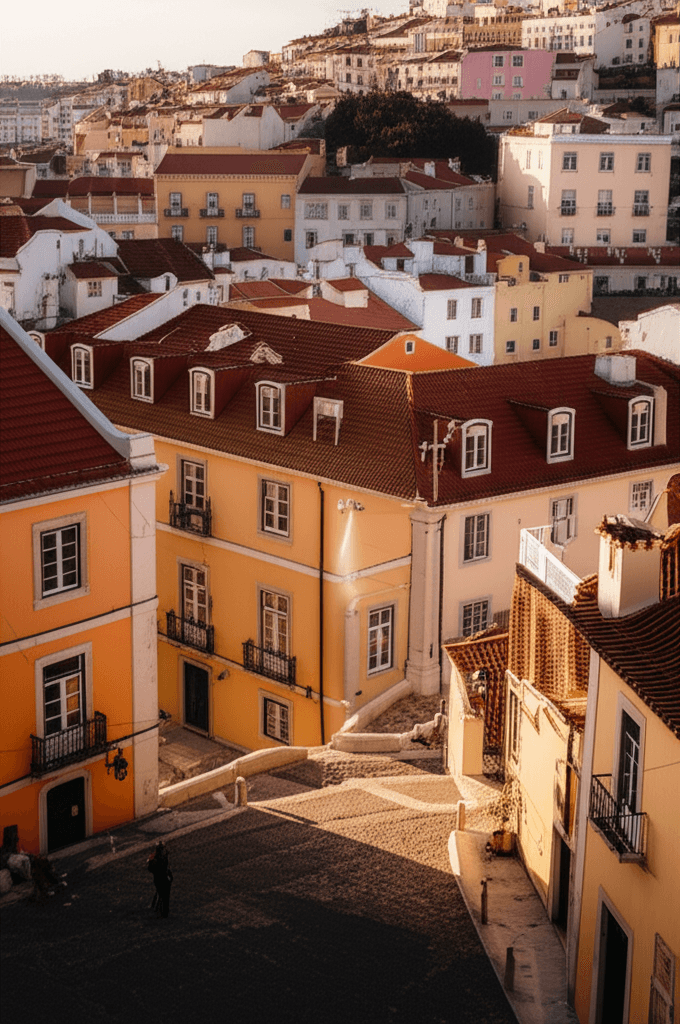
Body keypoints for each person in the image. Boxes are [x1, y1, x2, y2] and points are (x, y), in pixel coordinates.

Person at [147, 841, 173, 918]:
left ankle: (159, 909)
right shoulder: (163, 857)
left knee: (161, 894)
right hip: (164, 878)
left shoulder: (156, 859)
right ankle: (163, 912)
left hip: (158, 879)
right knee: (165, 896)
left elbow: (150, 869)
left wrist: (150, 861)